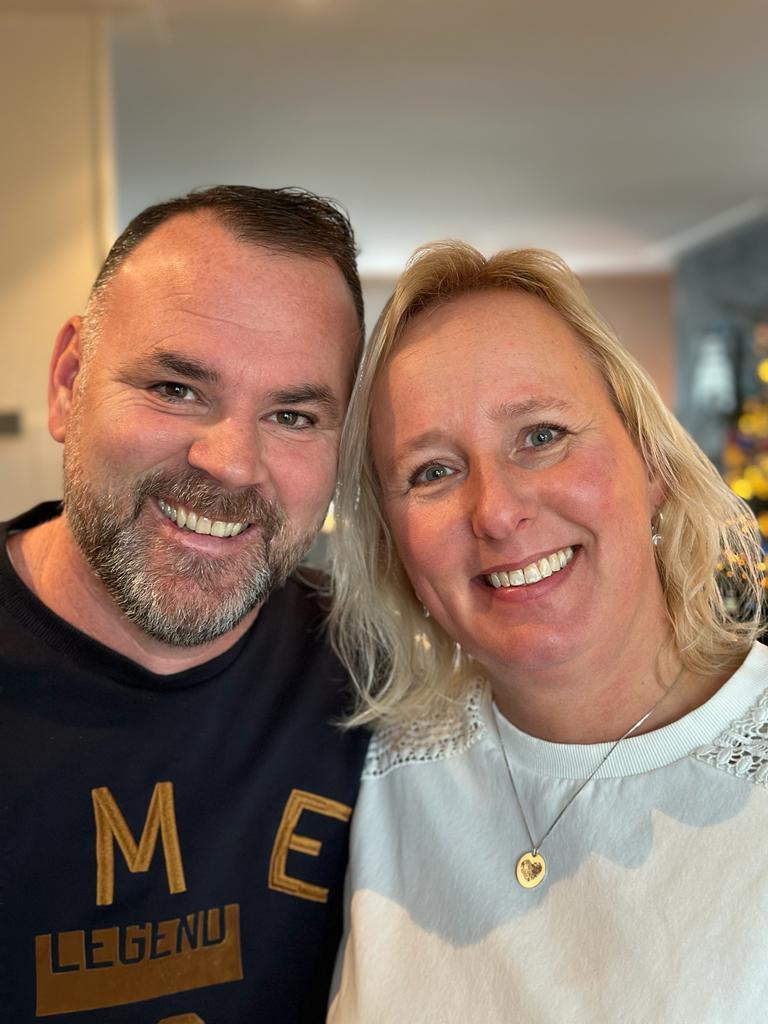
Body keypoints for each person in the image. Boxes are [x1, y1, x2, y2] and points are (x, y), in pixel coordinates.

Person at [327, 241, 768, 1022]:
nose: (496, 512)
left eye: (541, 435)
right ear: (392, 543)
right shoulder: (361, 773)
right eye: (432, 471)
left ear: (651, 461)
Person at [1, 185, 371, 1023]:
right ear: (68, 383)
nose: (232, 462)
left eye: (293, 414)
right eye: (176, 389)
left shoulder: (373, 675)